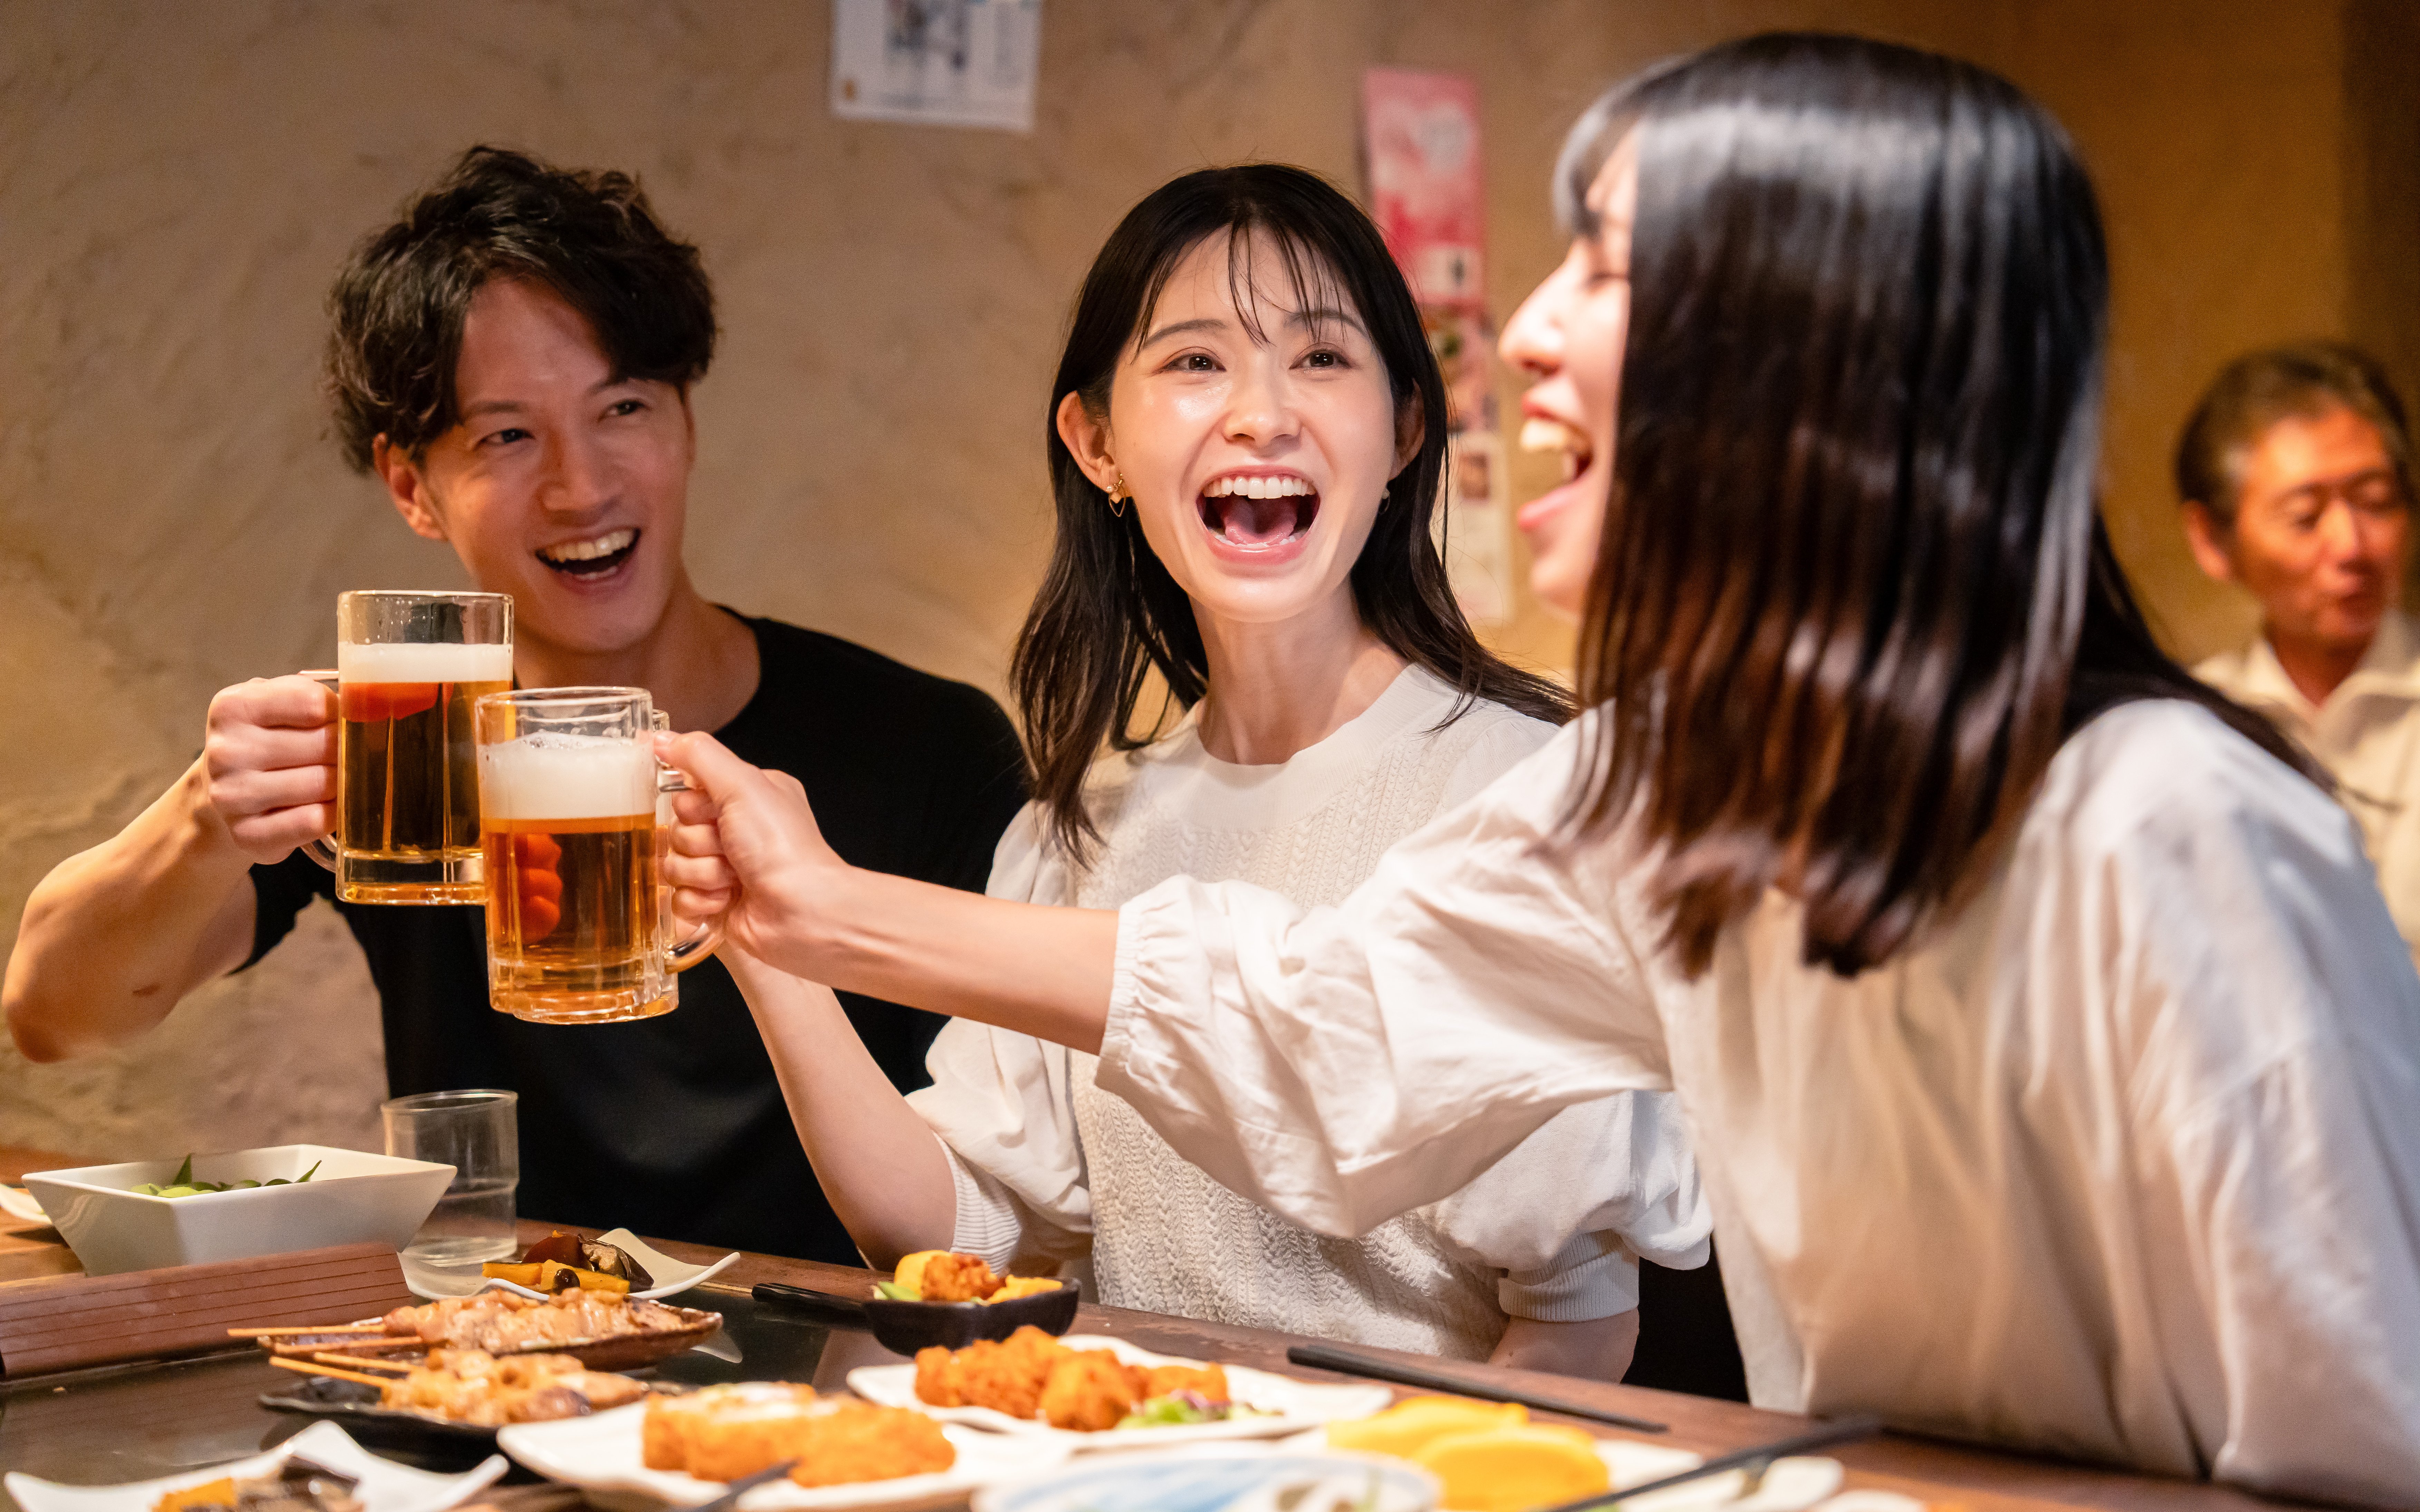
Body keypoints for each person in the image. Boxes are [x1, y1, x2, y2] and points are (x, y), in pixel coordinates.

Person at [652, 34, 2420, 1503]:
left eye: (1613, 265)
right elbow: (1315, 1018)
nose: (1528, 329)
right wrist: (809, 908)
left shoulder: (2163, 825)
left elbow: (2365, 1451)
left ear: (1823, 362)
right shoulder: (1678, 792)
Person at [726, 164, 1708, 1379]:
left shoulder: (1533, 798)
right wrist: (760, 940)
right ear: (1096, 444)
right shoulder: (1073, 828)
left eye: (1319, 359)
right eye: (1194, 362)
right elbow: (960, 1233)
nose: (1259, 415)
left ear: (1405, 429)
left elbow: (1573, 1325)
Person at [1, 147, 1028, 1267]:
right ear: (411, 488)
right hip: (494, 1357)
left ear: (685, 425)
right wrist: (205, 817)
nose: (580, 488)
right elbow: (58, 1016)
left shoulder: (923, 745)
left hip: (842, 1374)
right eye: (505, 435)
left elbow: (1015, 1169)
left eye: (622, 407)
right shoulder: (406, 751)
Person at [2178, 343, 2420, 962]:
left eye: (2375, 500)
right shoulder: (2195, 727)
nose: (2351, 545)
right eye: (2305, 516)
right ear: (2212, 541)